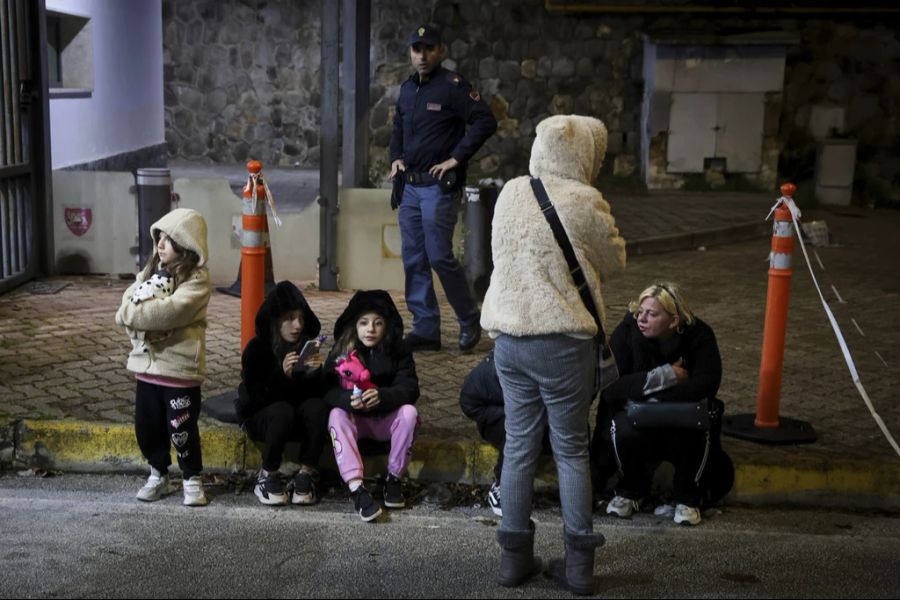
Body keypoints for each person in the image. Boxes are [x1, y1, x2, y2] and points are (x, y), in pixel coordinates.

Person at [480, 114, 626, 595]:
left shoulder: (510, 193)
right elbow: (615, 261)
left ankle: (513, 560)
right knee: (569, 449)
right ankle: (580, 565)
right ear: (584, 155)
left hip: (508, 338)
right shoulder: (585, 201)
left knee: (519, 447)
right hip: (561, 341)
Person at [388, 24, 498, 353]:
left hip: (438, 188)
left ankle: (468, 319)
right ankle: (425, 329)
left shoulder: (453, 87)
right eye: (416, 49)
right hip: (409, 187)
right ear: (411, 53)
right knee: (413, 258)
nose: (421, 55)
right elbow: (397, 129)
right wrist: (395, 158)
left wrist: (456, 158)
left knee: (439, 256)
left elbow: (485, 120)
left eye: (428, 49)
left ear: (441, 52)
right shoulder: (407, 90)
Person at [598, 282, 732, 527]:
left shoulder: (699, 334)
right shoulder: (628, 331)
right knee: (621, 428)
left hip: (679, 416)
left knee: (699, 424)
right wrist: (663, 377)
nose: (642, 318)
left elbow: (706, 384)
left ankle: (687, 497)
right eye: (640, 311)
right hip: (639, 417)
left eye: (652, 314)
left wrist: (648, 395)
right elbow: (610, 387)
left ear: (673, 321)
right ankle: (632, 490)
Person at [115, 208, 212, 507]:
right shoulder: (150, 271)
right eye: (160, 237)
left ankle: (191, 477)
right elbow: (126, 306)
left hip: (179, 371)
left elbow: (169, 312)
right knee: (147, 426)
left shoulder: (196, 280)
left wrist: (133, 317)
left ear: (188, 245)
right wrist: (136, 322)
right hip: (147, 369)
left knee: (181, 428)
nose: (160, 244)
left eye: (170, 239)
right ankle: (158, 473)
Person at [323, 290, 421, 522]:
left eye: (378, 323)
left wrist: (383, 396)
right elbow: (325, 388)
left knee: (410, 413)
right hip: (357, 422)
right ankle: (357, 488)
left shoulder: (398, 349)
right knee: (336, 415)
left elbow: (410, 387)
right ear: (354, 325)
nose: (371, 329)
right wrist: (347, 400)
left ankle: (394, 478)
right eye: (364, 323)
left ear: (387, 326)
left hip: (385, 421)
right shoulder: (342, 351)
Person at [235, 281, 330, 507]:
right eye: (289, 318)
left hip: (294, 418)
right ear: (276, 321)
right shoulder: (257, 349)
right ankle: (267, 474)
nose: (296, 325)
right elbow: (254, 400)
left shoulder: (305, 346)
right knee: (282, 411)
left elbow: (317, 397)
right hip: (263, 417)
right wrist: (282, 376)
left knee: (317, 407)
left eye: (300, 318)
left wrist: (317, 374)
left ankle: (306, 474)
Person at [459, 349, 551, 518]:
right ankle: (503, 486)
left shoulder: (559, 365)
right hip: (500, 418)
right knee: (518, 426)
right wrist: (508, 413)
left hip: (543, 419)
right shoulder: (493, 370)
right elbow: (468, 402)